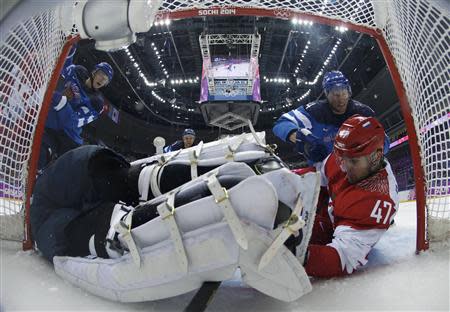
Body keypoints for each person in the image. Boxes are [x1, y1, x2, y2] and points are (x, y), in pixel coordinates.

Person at [303, 115, 399, 278]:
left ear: (376, 157)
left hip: (333, 232)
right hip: (329, 215)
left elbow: (341, 258)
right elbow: (319, 178)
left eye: (353, 162)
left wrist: (300, 257)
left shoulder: (378, 200)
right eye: (341, 158)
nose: (344, 167)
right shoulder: (345, 154)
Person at [31, 145, 140, 262]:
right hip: (95, 160)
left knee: (122, 222)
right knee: (136, 186)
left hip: (93, 170)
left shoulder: (42, 218)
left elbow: (65, 235)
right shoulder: (46, 187)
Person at [273, 70, 389, 166]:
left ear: (349, 92)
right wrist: (302, 140)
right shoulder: (314, 111)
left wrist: (373, 147)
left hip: (357, 171)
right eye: (336, 95)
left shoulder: (363, 112)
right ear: (327, 94)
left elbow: (385, 142)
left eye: (344, 93)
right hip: (324, 174)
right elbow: (281, 123)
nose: (341, 99)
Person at [38, 47, 114, 171]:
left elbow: (73, 122)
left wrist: (61, 100)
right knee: (36, 152)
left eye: (106, 80)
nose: (102, 80)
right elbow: (64, 64)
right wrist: (72, 46)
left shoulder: (97, 103)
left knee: (57, 170)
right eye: (102, 74)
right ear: (94, 71)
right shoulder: (77, 72)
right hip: (51, 124)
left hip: (67, 138)